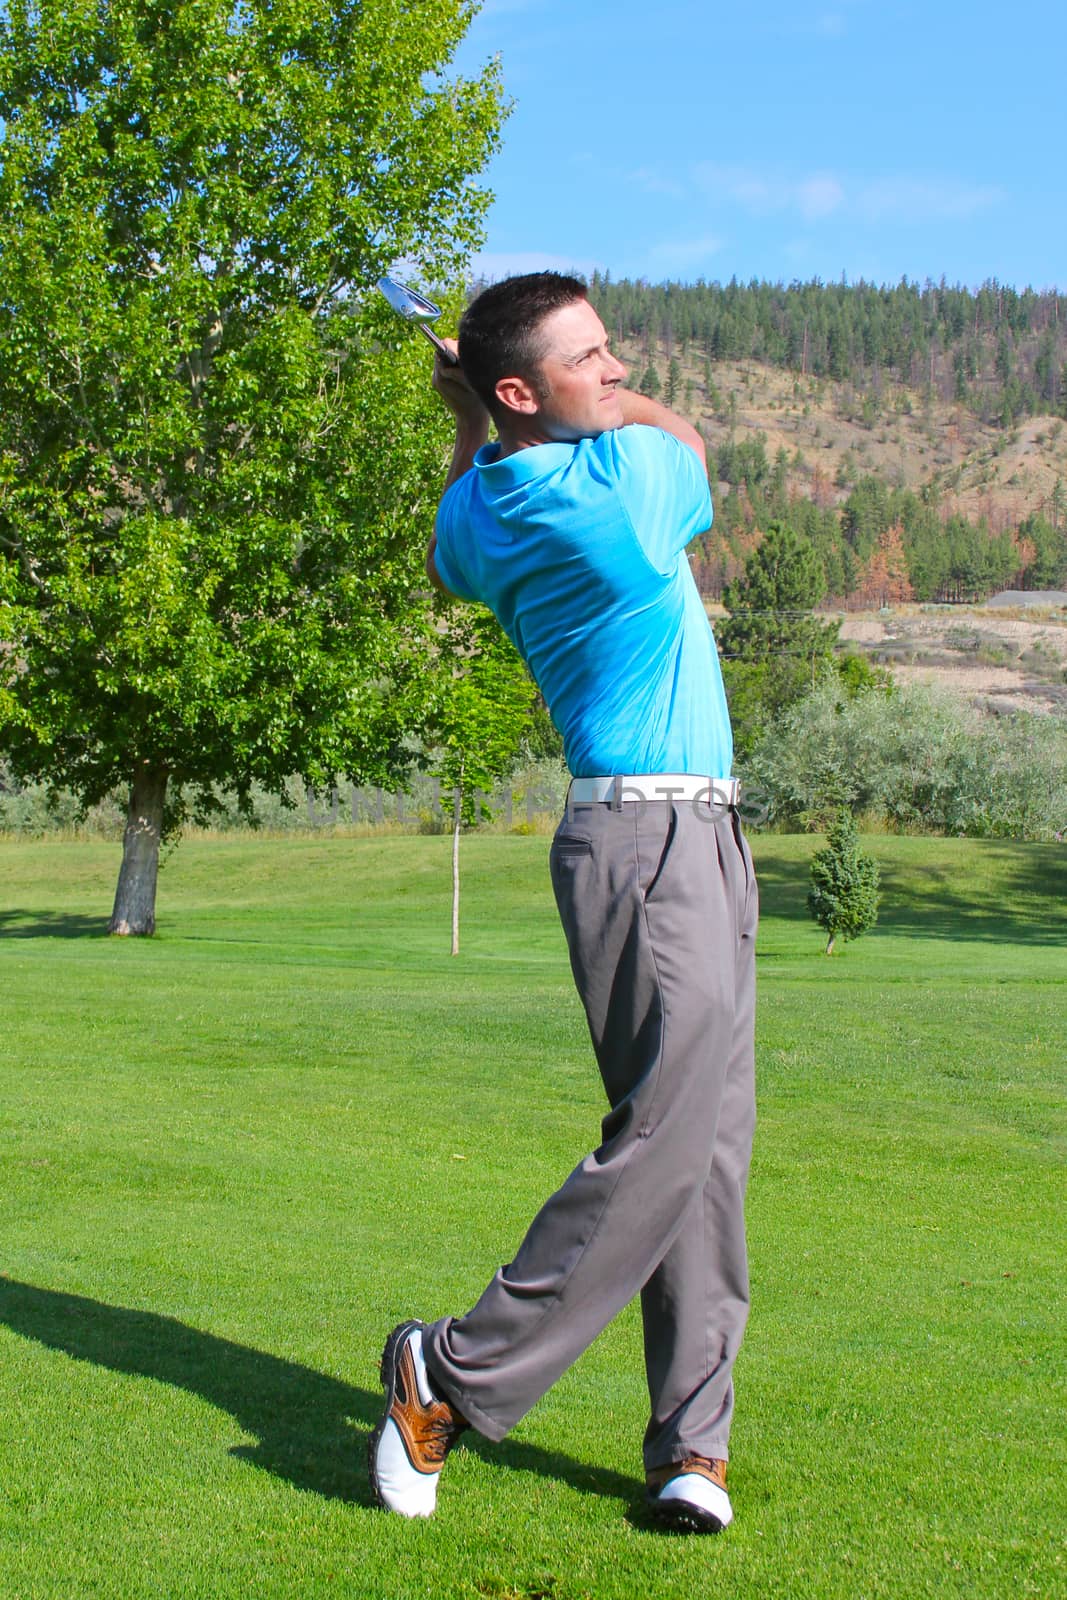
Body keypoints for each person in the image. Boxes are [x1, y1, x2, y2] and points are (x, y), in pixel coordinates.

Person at [368, 273, 758, 1534]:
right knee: (659, 1140)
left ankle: (687, 1446)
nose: (617, 367)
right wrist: (557, 406)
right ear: (530, 386)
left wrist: (474, 426)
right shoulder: (619, 493)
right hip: (650, 837)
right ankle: (452, 1366)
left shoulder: (489, 500)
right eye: (589, 357)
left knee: (705, 1150)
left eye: (615, 347)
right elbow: (686, 440)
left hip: (677, 830)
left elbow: (450, 541)